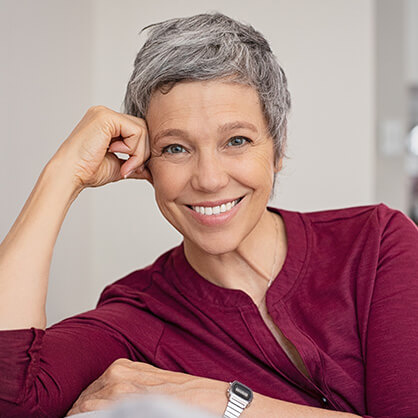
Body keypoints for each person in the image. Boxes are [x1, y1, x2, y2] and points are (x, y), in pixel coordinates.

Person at [0, 12, 417, 418]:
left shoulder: (377, 243)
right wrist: (62, 175)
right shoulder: (137, 316)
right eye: (176, 148)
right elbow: (12, 399)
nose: (210, 179)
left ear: (278, 147)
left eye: (236, 140)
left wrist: (227, 403)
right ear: (144, 163)